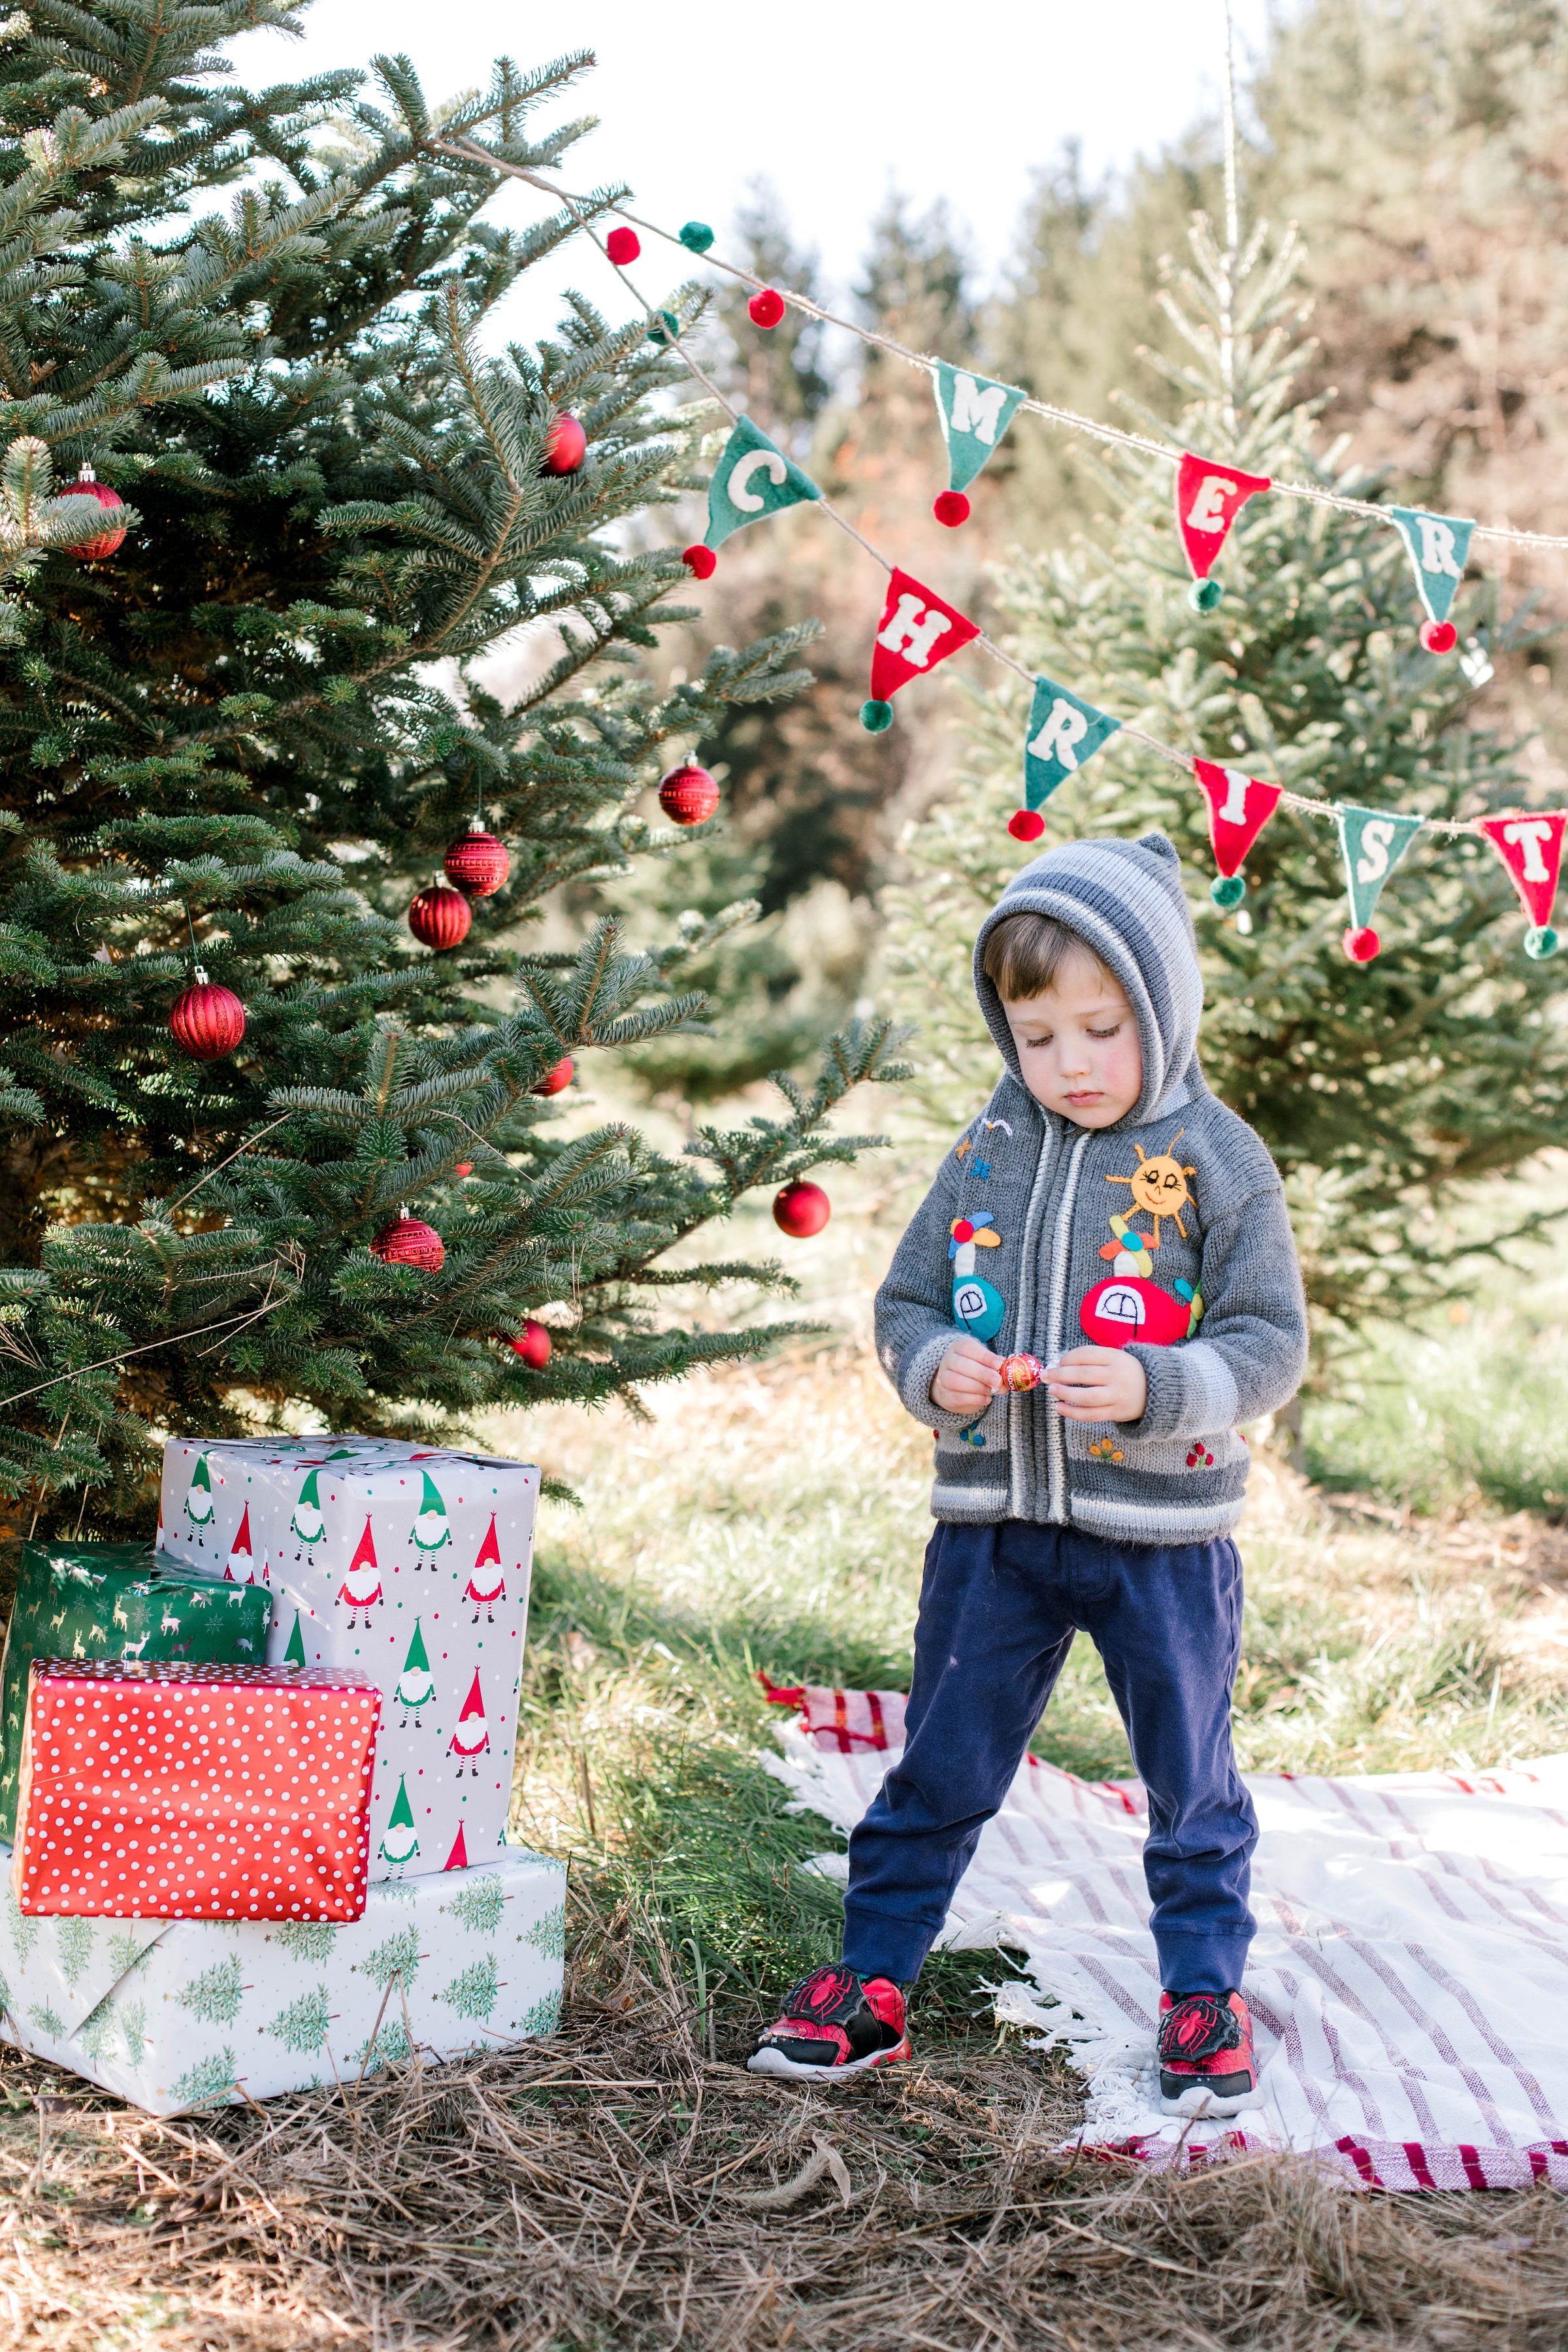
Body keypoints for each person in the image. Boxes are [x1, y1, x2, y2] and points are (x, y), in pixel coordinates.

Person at [748, 832, 1307, 2115]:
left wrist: (1163, 1388)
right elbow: (905, 1301)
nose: (1070, 1065)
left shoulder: (1221, 1159)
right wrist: (936, 1361)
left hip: (1161, 1536)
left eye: (1103, 1030)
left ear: (1161, 1008)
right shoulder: (986, 1150)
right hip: (993, 1527)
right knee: (940, 1757)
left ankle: (1203, 1990)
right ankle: (873, 1977)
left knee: (1187, 1769)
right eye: (1038, 1034)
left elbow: (1270, 1342)